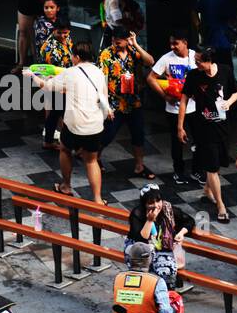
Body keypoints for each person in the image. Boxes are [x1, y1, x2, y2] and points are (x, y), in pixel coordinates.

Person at [30, 42, 110, 204]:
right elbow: (103, 97)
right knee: (91, 160)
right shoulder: (99, 72)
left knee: (65, 150)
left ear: (77, 57)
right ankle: (97, 198)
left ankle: (66, 186)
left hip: (74, 124)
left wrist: (32, 76)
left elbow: (46, 86)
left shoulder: (70, 72)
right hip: (95, 125)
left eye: (73, 56)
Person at [178, 46, 237, 223]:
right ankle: (220, 205)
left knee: (218, 163)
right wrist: (180, 126)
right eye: (195, 60)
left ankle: (207, 190)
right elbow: (184, 101)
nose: (195, 63)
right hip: (203, 129)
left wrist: (229, 102)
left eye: (198, 61)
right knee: (212, 167)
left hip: (223, 126)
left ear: (208, 61)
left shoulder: (225, 71)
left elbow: (236, 92)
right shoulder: (193, 76)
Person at [99, 27, 156, 179]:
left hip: (133, 102)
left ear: (126, 40)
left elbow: (150, 61)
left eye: (119, 42)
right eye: (114, 41)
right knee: (107, 134)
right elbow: (102, 81)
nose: (116, 44)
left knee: (138, 134)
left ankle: (139, 166)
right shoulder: (106, 54)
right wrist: (106, 105)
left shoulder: (133, 51)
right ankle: (94, 158)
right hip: (115, 103)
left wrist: (135, 44)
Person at [148, 30, 200, 186]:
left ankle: (197, 170)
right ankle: (178, 171)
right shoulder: (166, 58)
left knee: (198, 140)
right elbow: (151, 78)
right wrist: (165, 96)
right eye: (171, 43)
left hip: (194, 108)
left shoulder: (195, 56)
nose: (172, 46)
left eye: (175, 43)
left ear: (185, 42)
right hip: (174, 109)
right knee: (177, 141)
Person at [124, 185, 194, 288]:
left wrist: (181, 233)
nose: (156, 205)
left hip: (162, 248)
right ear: (144, 203)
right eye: (151, 202)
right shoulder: (138, 213)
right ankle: (146, 292)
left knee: (166, 268)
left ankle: (166, 293)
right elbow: (140, 240)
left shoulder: (167, 209)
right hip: (139, 249)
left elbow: (189, 221)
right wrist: (149, 220)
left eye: (158, 201)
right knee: (143, 267)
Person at [37, 17, 75, 151]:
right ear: (54, 30)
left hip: (66, 82)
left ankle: (49, 141)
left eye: (65, 33)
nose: (63, 36)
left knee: (55, 114)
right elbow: (52, 72)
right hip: (56, 84)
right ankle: (69, 144)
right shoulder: (50, 48)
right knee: (65, 113)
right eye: (60, 33)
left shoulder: (67, 39)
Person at [194, 0, 237, 71]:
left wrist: (199, 27)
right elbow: (232, 18)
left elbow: (194, 11)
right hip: (221, 41)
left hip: (210, 39)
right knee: (226, 69)